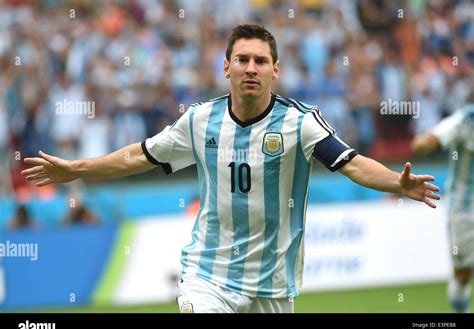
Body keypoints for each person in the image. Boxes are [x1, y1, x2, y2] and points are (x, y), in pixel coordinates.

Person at [22, 24, 440, 313]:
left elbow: (350, 163)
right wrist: (75, 168)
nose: (251, 68)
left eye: (260, 60)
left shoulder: (300, 122)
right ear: (226, 67)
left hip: (272, 285)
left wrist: (396, 184)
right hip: (209, 275)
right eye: (242, 59)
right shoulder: (199, 120)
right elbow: (138, 156)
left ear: (276, 69)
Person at [412, 91, 474, 313]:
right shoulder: (465, 120)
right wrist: (427, 142)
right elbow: (424, 142)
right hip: (464, 211)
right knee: (463, 274)